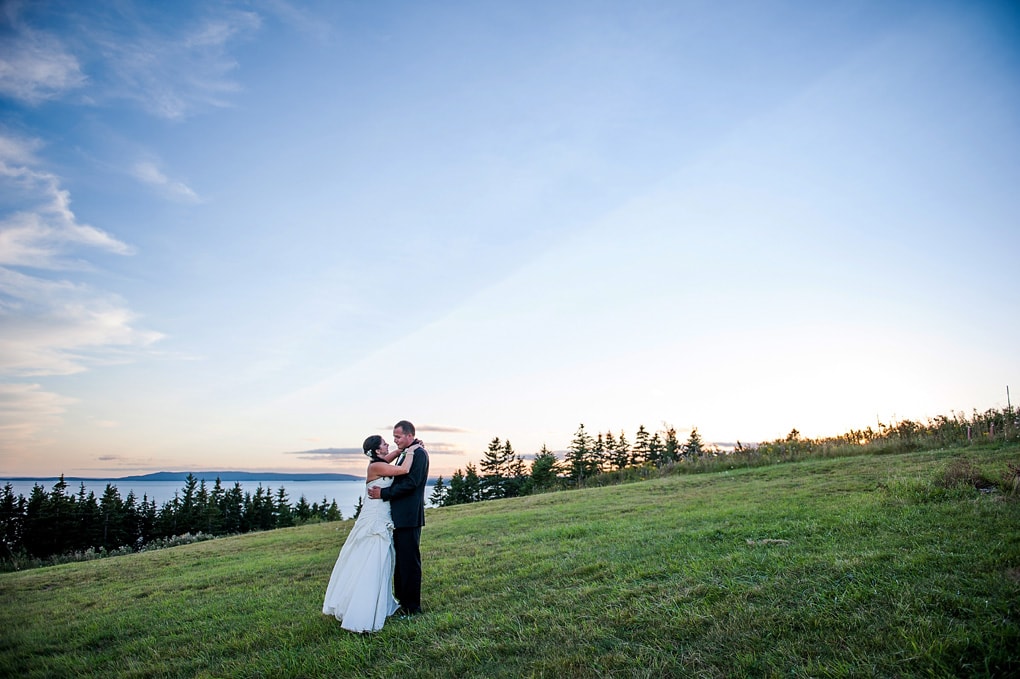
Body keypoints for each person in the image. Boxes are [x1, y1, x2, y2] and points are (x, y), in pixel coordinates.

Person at [322, 434, 414, 633]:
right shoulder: (375, 467)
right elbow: (404, 469)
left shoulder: (380, 462)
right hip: (375, 520)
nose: (388, 444)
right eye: (384, 443)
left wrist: (404, 449)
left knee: (381, 561)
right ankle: (362, 610)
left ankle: (377, 603)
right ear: (376, 450)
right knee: (372, 561)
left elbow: (393, 455)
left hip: (381, 517)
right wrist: (413, 451)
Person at [367, 420, 430, 616]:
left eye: (398, 437)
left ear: (410, 436)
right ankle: (403, 602)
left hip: (409, 516)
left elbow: (411, 483)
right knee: (400, 562)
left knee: (409, 562)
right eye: (393, 437)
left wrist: (384, 494)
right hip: (398, 517)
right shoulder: (407, 452)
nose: (395, 441)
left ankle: (413, 608)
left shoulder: (418, 454)